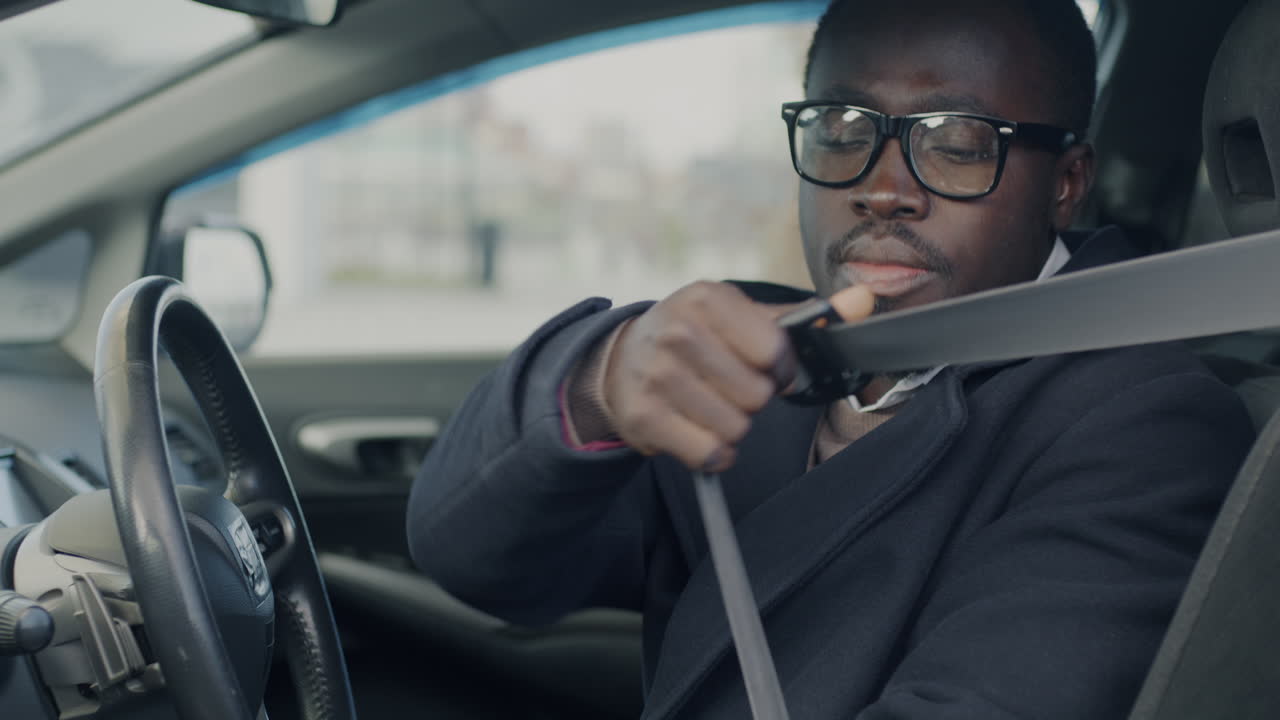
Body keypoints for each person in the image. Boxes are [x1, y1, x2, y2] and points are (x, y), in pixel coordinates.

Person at [407, 0, 1254, 717]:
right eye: (843, 128)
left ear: (1065, 181)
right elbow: (472, 559)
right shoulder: (752, 350)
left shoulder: (1139, 422)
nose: (881, 186)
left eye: (957, 140)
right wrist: (598, 383)